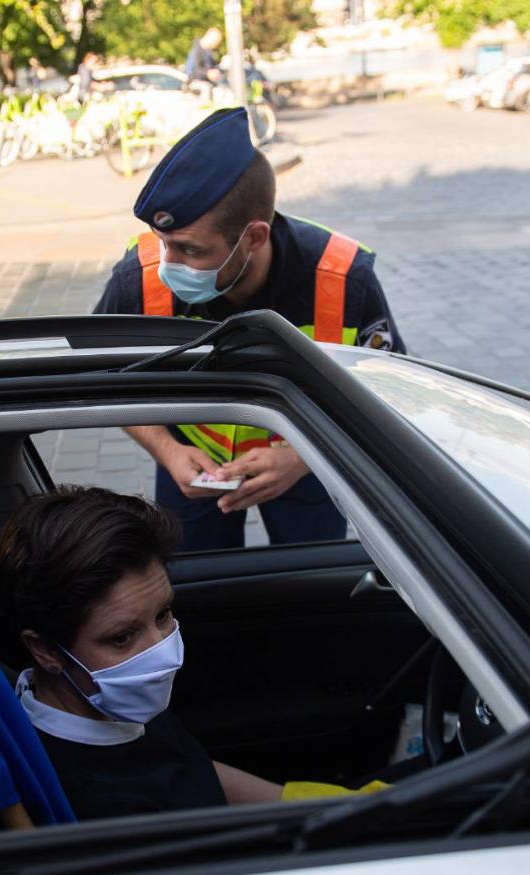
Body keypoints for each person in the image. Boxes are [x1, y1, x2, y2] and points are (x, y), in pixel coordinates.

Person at [93, 108, 404, 551]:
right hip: (190, 466)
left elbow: (386, 387)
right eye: (165, 244)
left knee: (309, 587)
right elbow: (106, 377)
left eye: (190, 250)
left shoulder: (342, 279)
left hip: (309, 465)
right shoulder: (138, 277)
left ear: (254, 237)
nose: (168, 265)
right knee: (199, 591)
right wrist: (165, 449)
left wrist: (302, 458)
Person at [0, 486, 285, 820]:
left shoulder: (107, 700)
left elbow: (189, 769)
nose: (161, 653)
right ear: (46, 650)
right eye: (122, 638)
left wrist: (309, 801)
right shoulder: (90, 801)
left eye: (163, 614)